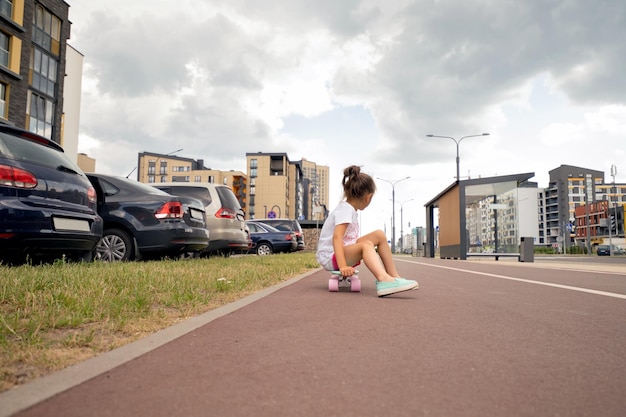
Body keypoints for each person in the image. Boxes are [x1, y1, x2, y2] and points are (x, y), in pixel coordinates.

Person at [316, 165, 419, 297]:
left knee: (379, 235)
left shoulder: (348, 209)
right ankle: (384, 280)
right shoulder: (345, 210)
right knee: (366, 245)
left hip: (340, 252)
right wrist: (342, 266)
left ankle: (394, 276)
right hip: (331, 257)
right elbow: (337, 237)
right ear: (368, 197)